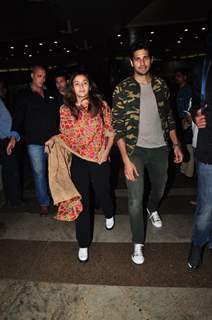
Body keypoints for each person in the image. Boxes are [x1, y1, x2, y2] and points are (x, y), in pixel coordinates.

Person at [112, 40, 183, 265]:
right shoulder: (122, 89)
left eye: (146, 57)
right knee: (134, 200)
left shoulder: (162, 85)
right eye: (137, 58)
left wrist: (176, 144)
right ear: (132, 62)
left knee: (160, 187)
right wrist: (125, 159)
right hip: (135, 150)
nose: (142, 62)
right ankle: (138, 243)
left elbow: (169, 118)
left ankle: (152, 208)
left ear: (150, 60)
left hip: (160, 148)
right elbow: (118, 126)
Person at [45, 72, 115, 262]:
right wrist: (54, 139)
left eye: (84, 83)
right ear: (71, 87)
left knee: (103, 192)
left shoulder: (101, 105)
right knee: (82, 202)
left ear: (89, 86)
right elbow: (66, 136)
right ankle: (83, 243)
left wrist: (106, 152)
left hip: (100, 157)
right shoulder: (65, 109)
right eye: (77, 84)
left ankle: (109, 213)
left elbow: (110, 130)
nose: (81, 87)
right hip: (79, 160)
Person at [7, 65, 59, 215]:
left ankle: (59, 199)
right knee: (39, 173)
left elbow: (59, 115)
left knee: (55, 172)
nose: (42, 79)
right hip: (34, 143)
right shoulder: (24, 95)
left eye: (44, 76)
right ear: (32, 75)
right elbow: (18, 118)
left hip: (53, 141)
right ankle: (44, 202)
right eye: (39, 76)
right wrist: (13, 137)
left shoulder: (50, 94)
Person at [187, 28, 212, 269]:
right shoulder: (203, 67)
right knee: (206, 205)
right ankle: (198, 244)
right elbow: (196, 101)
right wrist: (196, 114)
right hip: (209, 147)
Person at [0, 80, 22, 207]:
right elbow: (7, 122)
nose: (4, 90)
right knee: (12, 171)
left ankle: (11, 199)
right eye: (2, 87)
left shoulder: (3, 101)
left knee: (8, 171)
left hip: (6, 139)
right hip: (6, 140)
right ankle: (14, 200)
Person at [175, 68, 194, 178]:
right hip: (181, 122)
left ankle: (189, 172)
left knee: (189, 145)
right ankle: (183, 169)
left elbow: (191, 106)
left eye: (179, 76)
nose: (177, 78)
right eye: (176, 76)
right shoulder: (179, 90)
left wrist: (187, 120)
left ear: (185, 77)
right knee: (183, 144)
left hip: (187, 122)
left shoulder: (188, 90)